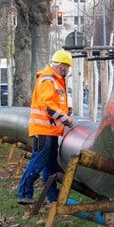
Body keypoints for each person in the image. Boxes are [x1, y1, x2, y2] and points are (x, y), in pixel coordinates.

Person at [17, 49, 75, 205]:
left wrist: (65, 111)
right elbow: (48, 106)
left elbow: (55, 104)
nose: (68, 70)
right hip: (43, 131)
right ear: (62, 66)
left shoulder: (54, 80)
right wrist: (65, 119)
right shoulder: (48, 79)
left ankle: (53, 197)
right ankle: (24, 193)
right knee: (38, 162)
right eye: (67, 67)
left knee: (50, 166)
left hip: (51, 131)